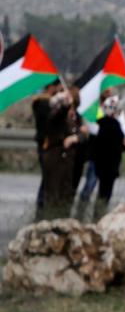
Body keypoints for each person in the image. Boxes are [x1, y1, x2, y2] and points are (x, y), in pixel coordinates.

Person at [36, 90, 82, 221]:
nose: (72, 110)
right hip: (54, 159)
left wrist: (76, 138)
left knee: (66, 195)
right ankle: (49, 221)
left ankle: (62, 221)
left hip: (67, 162)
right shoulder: (55, 116)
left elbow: (82, 134)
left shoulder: (74, 119)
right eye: (70, 107)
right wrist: (65, 105)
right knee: (52, 195)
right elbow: (58, 115)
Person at [84, 95, 125, 221]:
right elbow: (116, 147)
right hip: (110, 167)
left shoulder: (101, 124)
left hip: (100, 165)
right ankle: (99, 217)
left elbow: (96, 143)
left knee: (97, 192)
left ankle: (95, 216)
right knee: (105, 194)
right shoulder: (115, 126)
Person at [31, 81, 63, 215]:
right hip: (46, 143)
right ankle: (41, 207)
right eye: (57, 87)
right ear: (51, 87)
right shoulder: (45, 104)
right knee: (47, 178)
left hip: (44, 143)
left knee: (47, 177)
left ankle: (42, 207)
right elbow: (50, 123)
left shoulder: (41, 102)